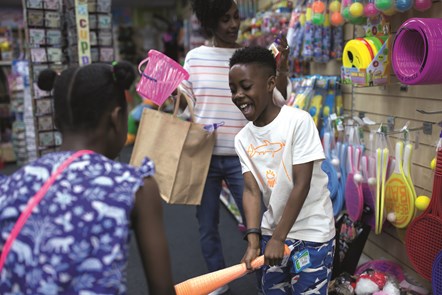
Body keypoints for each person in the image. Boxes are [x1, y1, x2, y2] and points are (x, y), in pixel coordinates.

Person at [0, 62, 176, 295]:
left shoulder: (13, 183)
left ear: (55, 121)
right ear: (116, 118)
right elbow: (162, 289)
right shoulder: (135, 185)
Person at [178, 1, 290, 294]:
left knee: (260, 224)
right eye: (225, 19)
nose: (233, 24)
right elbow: (183, 106)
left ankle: (265, 278)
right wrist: (171, 96)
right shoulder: (195, 58)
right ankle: (218, 280)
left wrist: (282, 69)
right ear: (210, 22)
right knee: (207, 224)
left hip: (247, 157)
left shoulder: (252, 58)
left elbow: (279, 99)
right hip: (204, 155)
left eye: (236, 18)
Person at [229, 46, 336, 294]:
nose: (238, 95)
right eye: (233, 89)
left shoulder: (298, 121)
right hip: (272, 233)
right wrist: (254, 240)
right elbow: (252, 190)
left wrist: (278, 238)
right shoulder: (242, 139)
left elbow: (302, 184)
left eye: (246, 87)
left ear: (270, 84)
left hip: (312, 234)